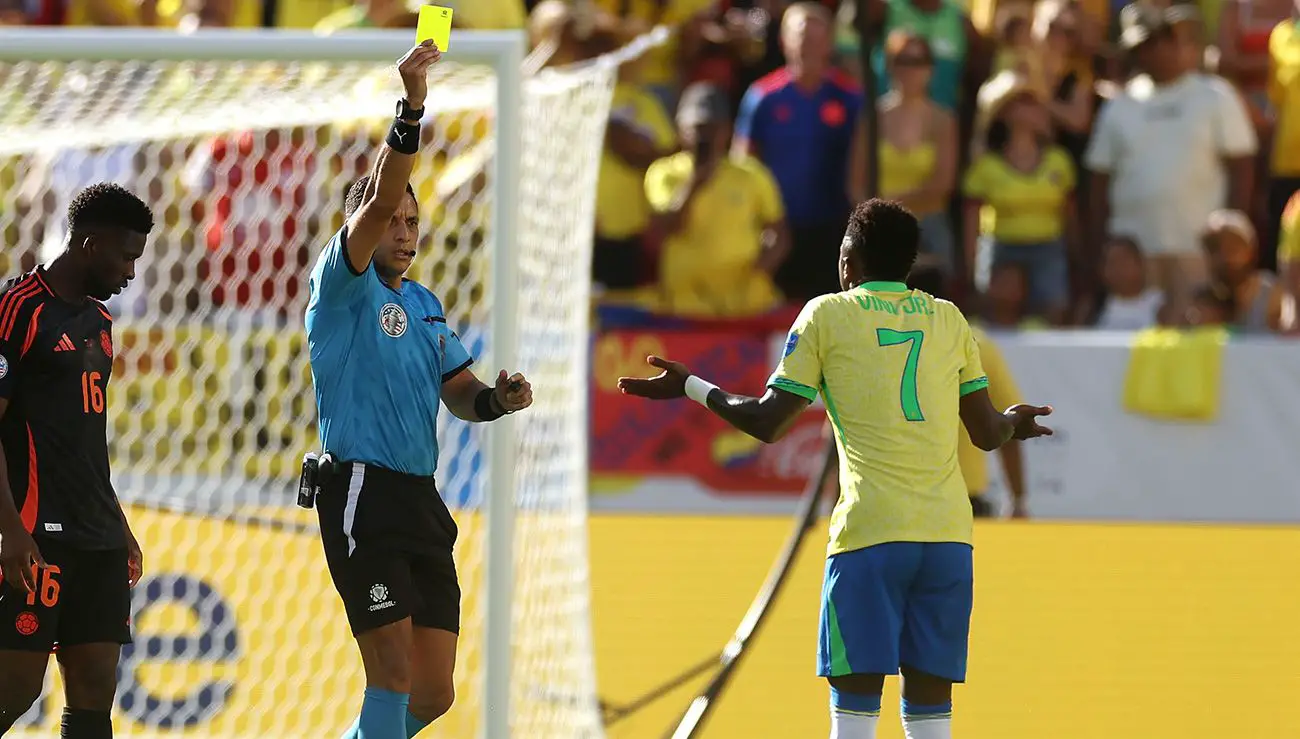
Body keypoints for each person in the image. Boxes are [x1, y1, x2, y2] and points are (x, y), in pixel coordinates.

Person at [617, 198, 1054, 739]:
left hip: (870, 535)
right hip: (947, 539)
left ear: (848, 260)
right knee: (930, 709)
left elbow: (767, 421)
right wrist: (1014, 421)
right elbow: (988, 433)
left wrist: (689, 385)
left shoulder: (828, 313)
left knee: (856, 707)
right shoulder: (950, 320)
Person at [305, 42, 534, 739]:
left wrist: (496, 399)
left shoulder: (429, 305)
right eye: (392, 221)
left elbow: (458, 389)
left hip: (420, 497)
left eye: (413, 222)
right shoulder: (340, 287)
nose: (404, 232)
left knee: (433, 692)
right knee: (393, 673)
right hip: (363, 492)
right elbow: (374, 201)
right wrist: (411, 107)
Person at [0, 183, 152, 737]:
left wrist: (119, 523)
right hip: (37, 535)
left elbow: (83, 439)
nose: (131, 275)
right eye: (127, 257)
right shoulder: (18, 310)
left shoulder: (100, 325)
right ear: (90, 244)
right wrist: (11, 531)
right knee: (15, 690)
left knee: (94, 695)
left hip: (98, 538)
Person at [1085, 2, 1256, 319]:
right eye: (1142, 46)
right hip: (1134, 259)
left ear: (1175, 41)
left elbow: (1242, 167)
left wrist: (1229, 243)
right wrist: (1101, 248)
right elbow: (1098, 181)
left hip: (1196, 252)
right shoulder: (1119, 105)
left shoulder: (1215, 95)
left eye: (1158, 42)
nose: (1149, 52)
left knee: (1194, 344)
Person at [734, 1, 861, 301]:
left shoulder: (849, 97)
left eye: (818, 39)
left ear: (829, 43)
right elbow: (743, 163)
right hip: (778, 230)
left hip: (832, 229)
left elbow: (863, 164)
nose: (809, 47)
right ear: (784, 41)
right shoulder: (762, 97)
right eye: (802, 37)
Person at [643, 82, 789, 317]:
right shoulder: (663, 173)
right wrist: (694, 183)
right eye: (699, 128)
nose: (705, 136)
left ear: (727, 130)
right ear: (681, 129)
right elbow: (667, 228)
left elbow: (779, 234)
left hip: (745, 305)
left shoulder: (752, 173)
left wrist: (758, 271)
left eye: (713, 128)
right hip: (686, 305)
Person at [908, 263, 1028, 518]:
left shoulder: (873, 344)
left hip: (895, 497)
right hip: (962, 496)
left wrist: (836, 500)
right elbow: (1010, 423)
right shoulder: (977, 345)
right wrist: (1017, 500)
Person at [964, 72, 1076, 324]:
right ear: (1003, 110)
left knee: (1052, 317)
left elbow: (1070, 218)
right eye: (1023, 101)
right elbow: (971, 224)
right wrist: (971, 272)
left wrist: (1075, 259)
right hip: (1001, 249)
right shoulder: (986, 167)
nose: (1034, 108)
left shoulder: (1060, 162)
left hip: (1049, 249)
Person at [850, 31, 959, 277]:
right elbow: (855, 182)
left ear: (930, 68)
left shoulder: (943, 120)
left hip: (928, 229)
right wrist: (874, 221)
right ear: (889, 65)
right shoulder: (873, 119)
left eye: (918, 61)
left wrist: (886, 207)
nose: (911, 69)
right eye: (903, 60)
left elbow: (942, 184)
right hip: (877, 230)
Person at [1200, 209, 1296, 333]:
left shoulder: (1272, 294)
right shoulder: (1201, 300)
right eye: (1214, 248)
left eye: (1232, 246)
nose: (1223, 256)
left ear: (1250, 250)